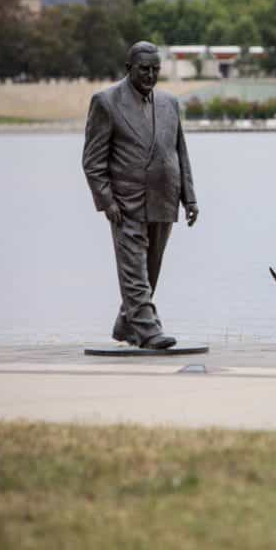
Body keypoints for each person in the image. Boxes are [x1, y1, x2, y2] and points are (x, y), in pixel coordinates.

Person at [82, 41, 198, 349]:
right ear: (128, 68)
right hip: (126, 202)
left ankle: (126, 324)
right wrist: (106, 201)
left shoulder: (170, 103)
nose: (150, 75)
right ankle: (147, 329)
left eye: (155, 70)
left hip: (165, 198)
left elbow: (180, 152)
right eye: (144, 69)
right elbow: (92, 161)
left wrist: (190, 197)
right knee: (133, 269)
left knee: (151, 267)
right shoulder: (106, 102)